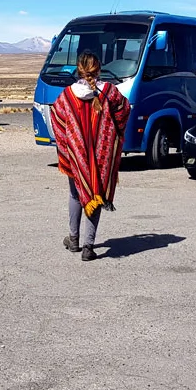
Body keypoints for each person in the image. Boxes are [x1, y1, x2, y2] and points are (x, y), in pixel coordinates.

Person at [51, 51, 131, 261]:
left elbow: (57, 119)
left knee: (76, 194)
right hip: (101, 154)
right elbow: (124, 110)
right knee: (96, 192)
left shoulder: (67, 95)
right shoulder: (109, 92)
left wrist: (68, 145)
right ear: (99, 68)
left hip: (76, 154)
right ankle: (88, 246)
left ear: (78, 69)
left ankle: (74, 239)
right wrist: (113, 132)